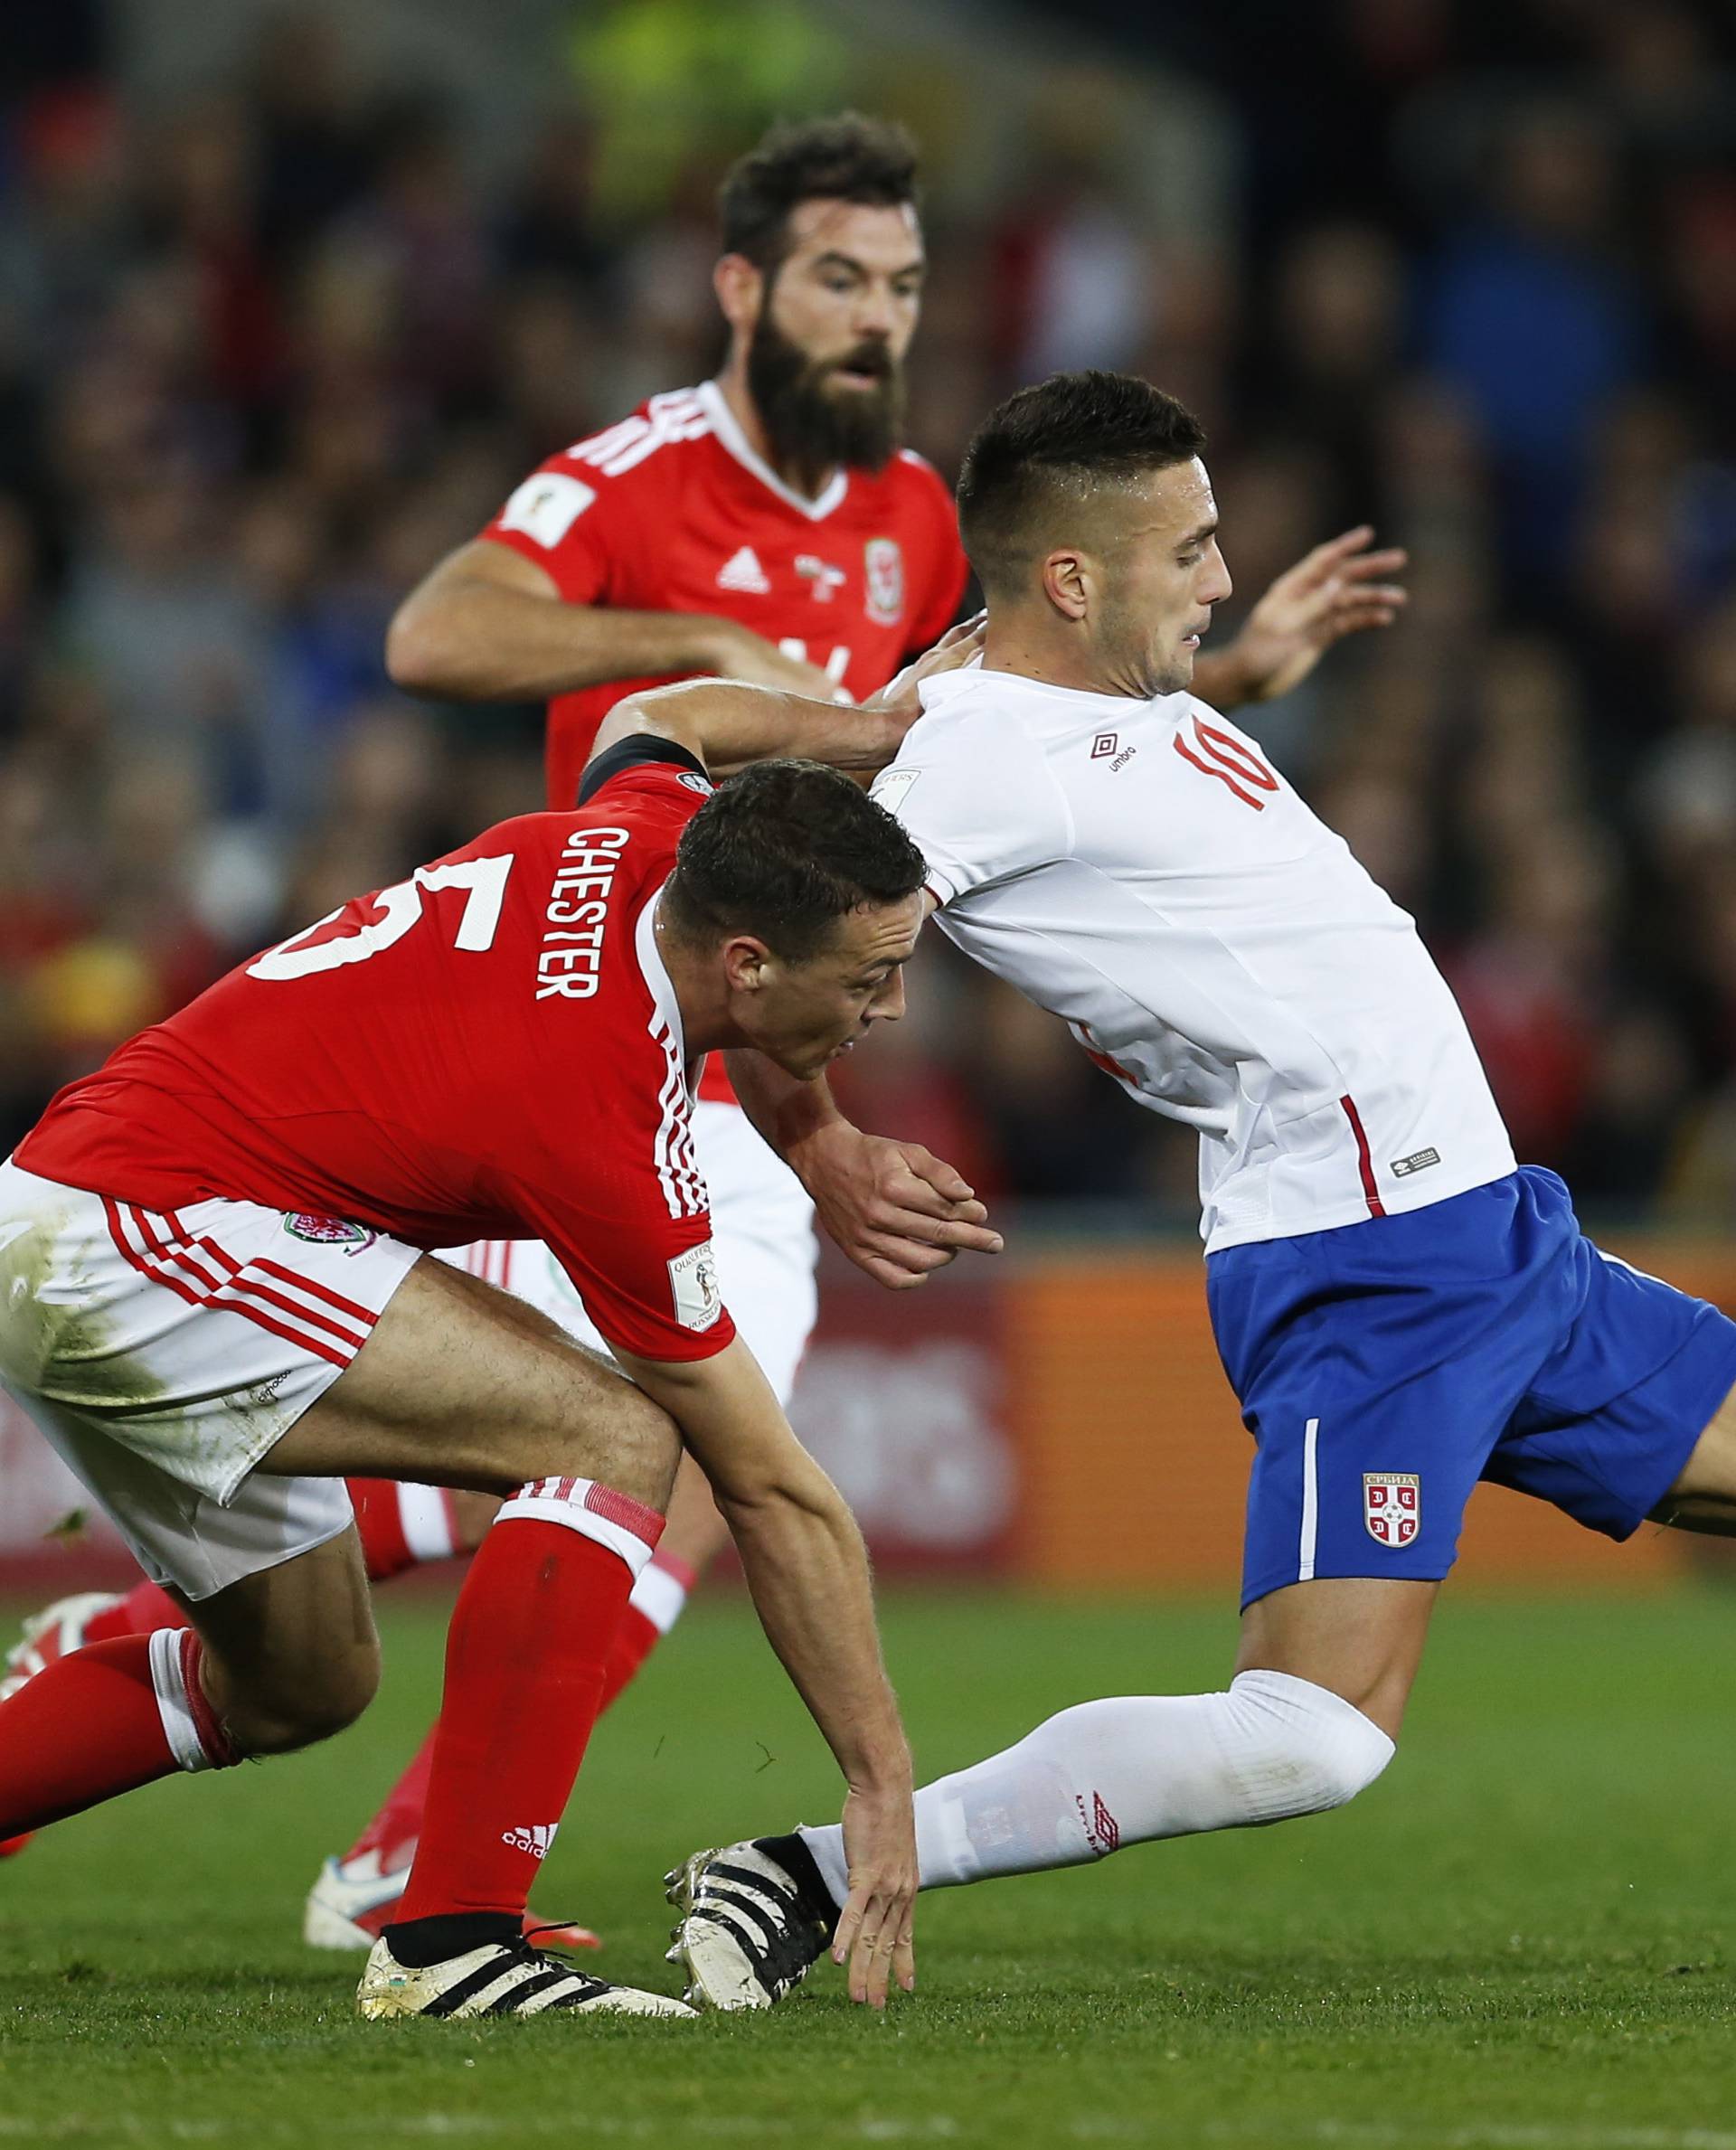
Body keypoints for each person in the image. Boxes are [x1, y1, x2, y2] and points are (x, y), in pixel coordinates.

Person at [3, 111, 1406, 1941]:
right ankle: (428, 1895)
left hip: (679, 1029)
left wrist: (1223, 670)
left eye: (903, 285)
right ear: (745, 286)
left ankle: (291, 1763)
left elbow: (946, 721)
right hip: (572, 1047)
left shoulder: (910, 511)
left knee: (491, 1535)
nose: (875, 319)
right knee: (651, 1442)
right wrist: (697, 646)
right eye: (840, 277)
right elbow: (445, 637)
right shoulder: (635, 472)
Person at [641, 370, 1736, 2012]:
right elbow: (762, 951)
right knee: (1311, 1737)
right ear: (1072, 579)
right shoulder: (967, 762)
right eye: (1194, 550)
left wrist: (1257, 660)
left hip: (1495, 1230)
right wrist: (820, 1138)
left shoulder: (1064, 697)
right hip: (1371, 1264)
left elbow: (1092, 747)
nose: (1221, 574)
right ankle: (797, 1871)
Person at [0, 660, 974, 2021]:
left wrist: (866, 730)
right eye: (874, 973)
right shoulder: (596, 1094)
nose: (893, 1010)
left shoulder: (644, 832)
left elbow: (667, 715)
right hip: (135, 1233)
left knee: (301, 1680)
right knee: (623, 1433)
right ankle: (454, 1938)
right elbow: (765, 1482)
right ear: (746, 966)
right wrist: (879, 1782)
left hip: (95, 1208)